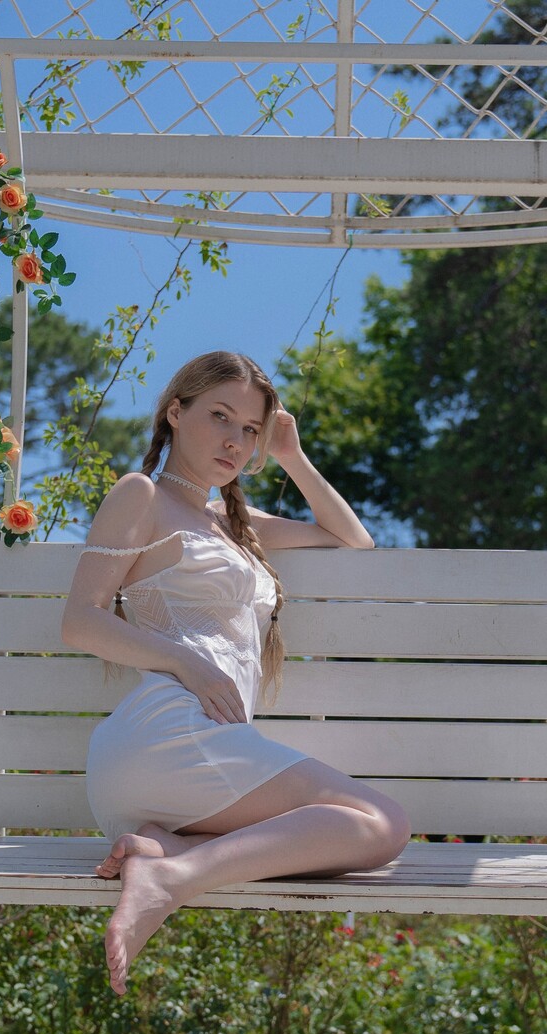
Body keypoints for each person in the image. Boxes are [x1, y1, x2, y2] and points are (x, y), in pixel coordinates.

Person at [60, 351, 410, 994]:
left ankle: (165, 853)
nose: (234, 441)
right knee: (380, 823)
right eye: (219, 416)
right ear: (175, 411)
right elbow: (80, 621)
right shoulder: (142, 495)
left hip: (187, 770)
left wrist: (291, 456)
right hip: (170, 736)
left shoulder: (232, 526)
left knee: (374, 825)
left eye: (250, 429)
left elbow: (352, 541)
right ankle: (175, 877)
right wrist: (186, 662)